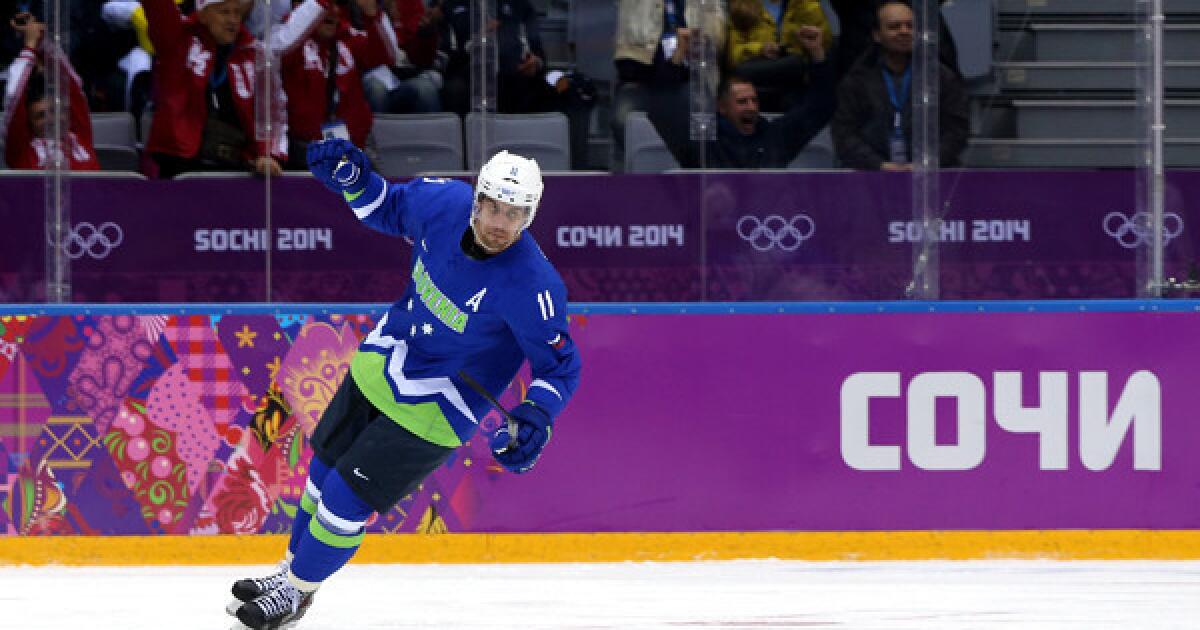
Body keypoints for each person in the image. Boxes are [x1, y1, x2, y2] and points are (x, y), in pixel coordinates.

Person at [223, 137, 582, 630]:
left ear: (531, 217)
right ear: (476, 199)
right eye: (494, 207)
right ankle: (290, 572)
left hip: (440, 405)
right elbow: (387, 207)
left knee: (346, 497)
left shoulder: (534, 286)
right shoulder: (444, 203)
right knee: (321, 477)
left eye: (515, 213)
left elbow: (559, 366)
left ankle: (298, 593)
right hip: (386, 361)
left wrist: (537, 415)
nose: (500, 223)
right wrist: (355, 180)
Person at [142, 0, 287, 178]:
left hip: (235, 169)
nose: (233, 20)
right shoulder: (178, 41)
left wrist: (267, 154)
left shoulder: (253, 53)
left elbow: (269, 113)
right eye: (224, 12)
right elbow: (157, 7)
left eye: (237, 13)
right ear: (203, 15)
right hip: (180, 167)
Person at [830, 0, 967, 171]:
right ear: (877, 35)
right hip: (872, 175)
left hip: (930, 175)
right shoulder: (856, 80)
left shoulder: (942, 77)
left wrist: (927, 162)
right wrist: (879, 165)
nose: (904, 31)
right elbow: (845, 134)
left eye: (910, 26)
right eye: (894, 27)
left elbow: (957, 130)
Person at [278, 0, 398, 169]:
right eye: (326, 5)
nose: (333, 11)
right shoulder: (287, 41)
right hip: (305, 156)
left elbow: (389, 55)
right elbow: (282, 46)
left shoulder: (347, 37)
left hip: (352, 153)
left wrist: (373, 16)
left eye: (336, 4)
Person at [611, 0, 726, 170]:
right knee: (623, 120)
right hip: (640, 74)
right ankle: (643, 183)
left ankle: (695, 183)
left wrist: (699, 38)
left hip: (690, 75)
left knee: (703, 127)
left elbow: (717, 36)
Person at [2, 10, 100, 170]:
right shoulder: (21, 150)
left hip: (91, 196)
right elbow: (14, 96)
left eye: (55, 110)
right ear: (29, 123)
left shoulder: (80, 135)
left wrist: (42, 40)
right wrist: (30, 46)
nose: (51, 119)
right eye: (41, 115)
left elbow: (71, 82)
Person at [724, 0, 832, 111]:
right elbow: (732, 54)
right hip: (755, 76)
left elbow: (824, 45)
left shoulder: (804, 5)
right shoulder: (742, 5)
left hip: (795, 83)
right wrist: (759, 49)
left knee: (798, 66)